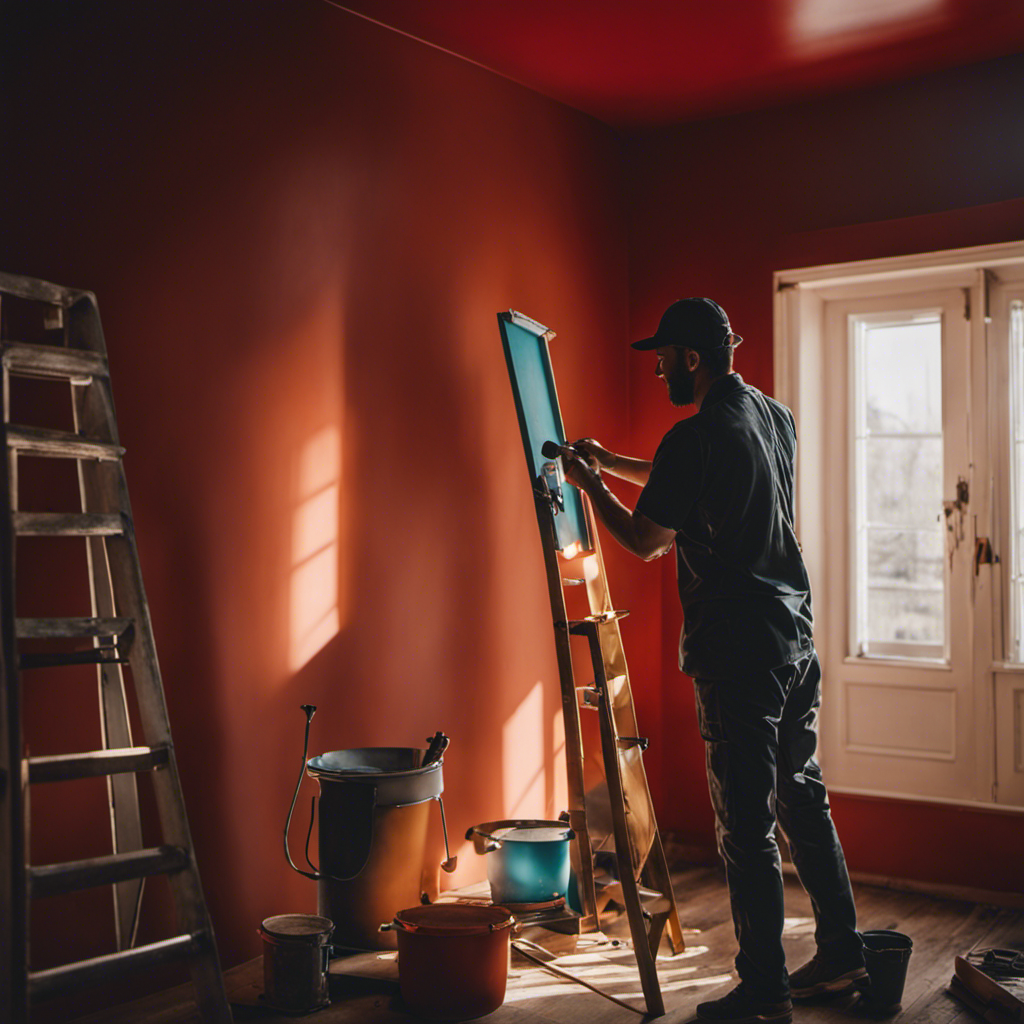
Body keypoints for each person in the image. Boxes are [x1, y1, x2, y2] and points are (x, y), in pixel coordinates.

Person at [558, 298, 865, 1024]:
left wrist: (587, 481)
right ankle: (844, 950)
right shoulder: (771, 415)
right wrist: (612, 462)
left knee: (745, 827)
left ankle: (765, 991)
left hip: (738, 655)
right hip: (793, 639)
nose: (657, 366)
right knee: (802, 799)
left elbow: (647, 538)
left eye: (662, 355)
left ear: (691, 358)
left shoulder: (693, 439)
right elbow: (682, 481)